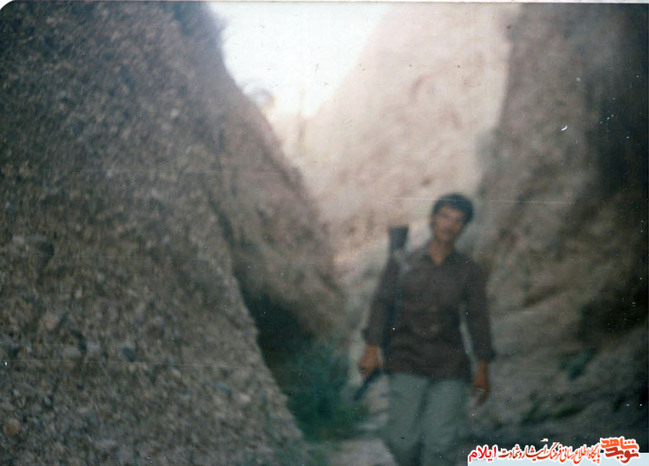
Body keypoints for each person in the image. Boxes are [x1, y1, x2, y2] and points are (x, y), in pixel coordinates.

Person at [358, 193, 494, 466]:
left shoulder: (469, 271)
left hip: (450, 366)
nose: (449, 225)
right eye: (444, 216)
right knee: (401, 441)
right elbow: (382, 303)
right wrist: (372, 349)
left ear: (464, 227)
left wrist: (482, 367)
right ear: (432, 218)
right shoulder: (401, 261)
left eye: (458, 220)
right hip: (406, 359)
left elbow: (478, 318)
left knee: (441, 445)